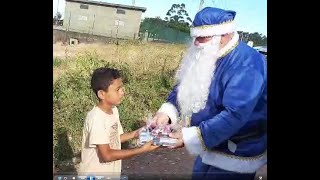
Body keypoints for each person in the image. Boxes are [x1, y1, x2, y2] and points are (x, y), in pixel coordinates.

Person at [152, 7, 267, 180]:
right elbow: (185, 86)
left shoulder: (247, 65)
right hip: (210, 141)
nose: (196, 43)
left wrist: (188, 137)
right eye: (195, 37)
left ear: (223, 35)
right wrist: (167, 112)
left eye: (202, 37)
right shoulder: (208, 52)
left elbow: (235, 115)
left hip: (237, 148)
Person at [78, 67, 159, 177]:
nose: (122, 92)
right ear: (102, 94)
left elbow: (116, 138)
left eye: (122, 88)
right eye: (117, 89)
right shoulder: (96, 118)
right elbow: (106, 156)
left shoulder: (113, 110)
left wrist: (137, 132)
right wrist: (141, 150)